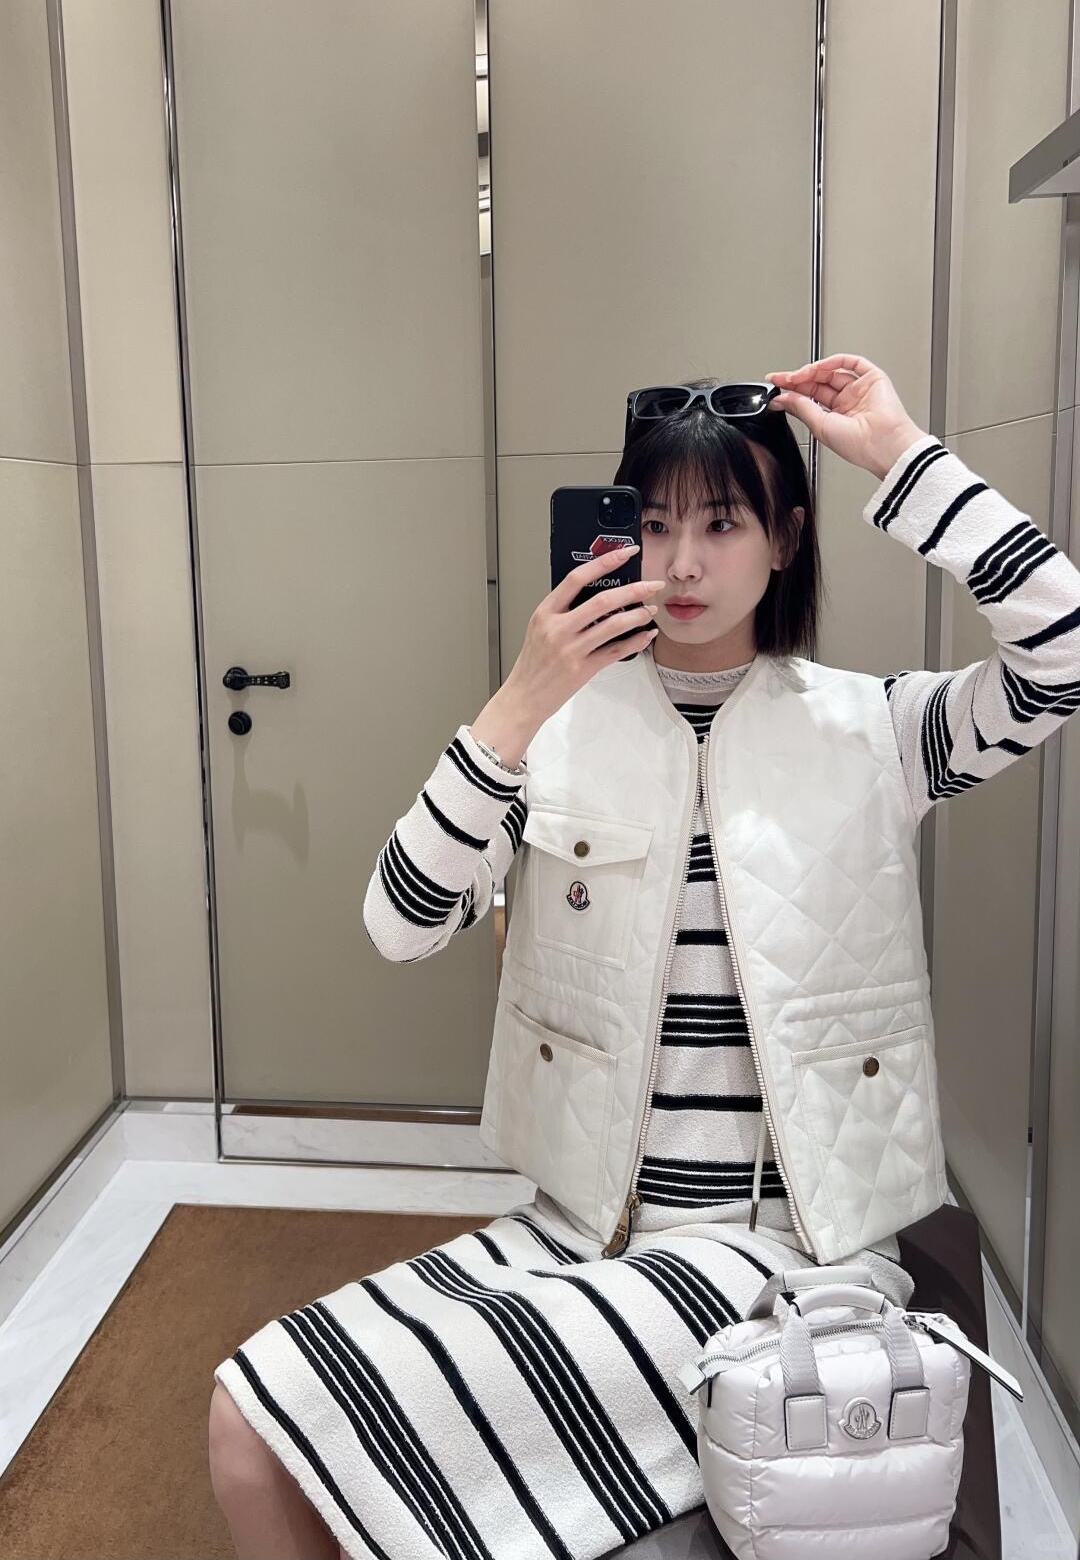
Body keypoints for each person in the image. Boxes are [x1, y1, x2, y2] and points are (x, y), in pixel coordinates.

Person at [208, 355, 1080, 1560]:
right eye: (654, 523)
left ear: (785, 539)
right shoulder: (552, 736)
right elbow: (399, 922)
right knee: (244, 1423)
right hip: (578, 1230)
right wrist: (516, 707)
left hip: (788, 1254)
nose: (681, 563)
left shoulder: (877, 730)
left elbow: (1062, 651)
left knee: (355, 1430)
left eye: (721, 524)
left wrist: (898, 455)